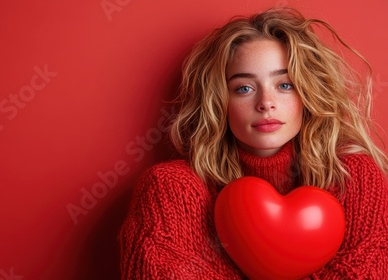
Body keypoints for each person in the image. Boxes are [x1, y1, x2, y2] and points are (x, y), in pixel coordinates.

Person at [118, 7, 388, 280]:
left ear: (308, 92)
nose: (265, 103)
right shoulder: (169, 189)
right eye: (244, 88)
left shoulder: (353, 177)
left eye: (285, 85)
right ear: (219, 102)